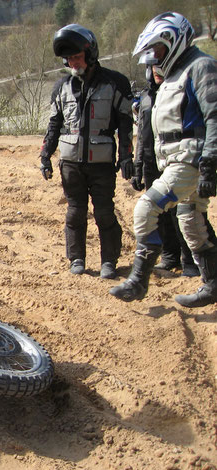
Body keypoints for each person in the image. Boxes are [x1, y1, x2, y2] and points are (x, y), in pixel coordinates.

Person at [110, 12, 217, 307]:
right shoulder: (175, 73)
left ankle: (138, 281)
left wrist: (209, 164)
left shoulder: (201, 66)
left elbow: (214, 115)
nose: (153, 58)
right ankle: (214, 285)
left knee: (146, 209)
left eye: (157, 50)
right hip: (177, 160)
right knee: (191, 223)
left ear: (174, 41)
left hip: (190, 160)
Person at [40, 24, 135, 279]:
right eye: (69, 58)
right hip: (70, 163)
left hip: (102, 163)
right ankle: (77, 259)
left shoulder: (116, 83)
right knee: (75, 212)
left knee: (104, 212)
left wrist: (127, 156)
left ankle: (109, 261)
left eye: (77, 57)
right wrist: (45, 156)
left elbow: (126, 124)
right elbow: (53, 125)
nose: (73, 63)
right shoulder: (61, 87)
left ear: (91, 54)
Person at [129, 57, 204, 278]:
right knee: (160, 216)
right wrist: (138, 163)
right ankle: (170, 256)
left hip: (177, 159)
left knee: (181, 212)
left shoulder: (178, 94)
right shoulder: (146, 98)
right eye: (153, 68)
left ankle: (189, 261)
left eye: (160, 66)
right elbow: (142, 135)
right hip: (153, 160)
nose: (156, 71)